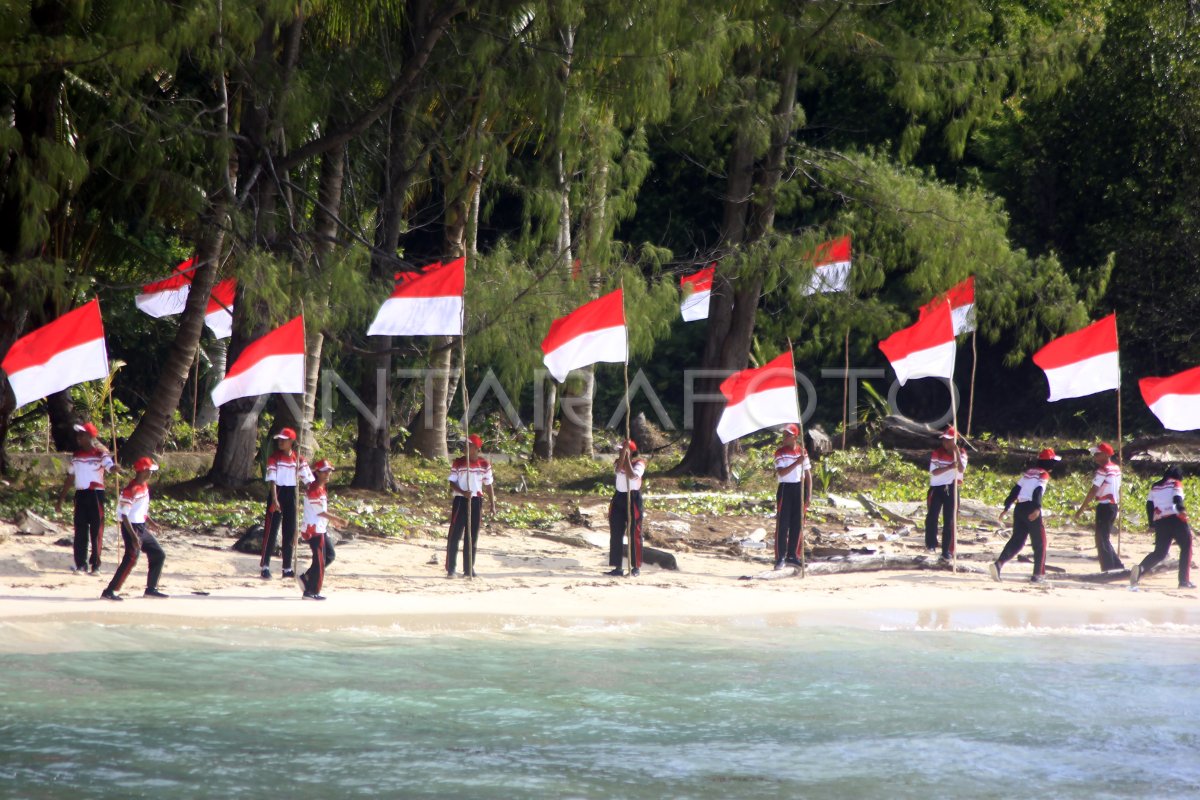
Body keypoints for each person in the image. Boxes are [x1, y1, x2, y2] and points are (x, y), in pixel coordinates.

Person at [991, 448, 1061, 584]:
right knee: (1040, 543)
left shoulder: (1028, 472)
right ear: (1048, 462)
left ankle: (998, 564)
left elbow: (1016, 489)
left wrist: (1007, 506)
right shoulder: (1044, 474)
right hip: (1030, 508)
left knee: (1017, 541)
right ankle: (1038, 575)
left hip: (1019, 508)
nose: (1054, 464)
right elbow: (1038, 491)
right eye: (1052, 461)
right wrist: (1037, 508)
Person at [102, 457, 168, 600]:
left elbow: (141, 510)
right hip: (131, 528)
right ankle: (109, 591)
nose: (151, 473)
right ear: (143, 471)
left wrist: (152, 523)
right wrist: (134, 537)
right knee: (131, 558)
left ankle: (151, 589)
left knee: (158, 554)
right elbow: (124, 516)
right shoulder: (130, 490)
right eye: (150, 471)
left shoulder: (144, 486)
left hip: (141, 527)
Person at [56, 421, 117, 574]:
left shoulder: (100, 454)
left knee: (96, 529)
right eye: (78, 435)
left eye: (82, 435)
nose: (78, 438)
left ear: (90, 436)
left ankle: (95, 565)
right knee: (80, 529)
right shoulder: (76, 456)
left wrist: (115, 468)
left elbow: (110, 466)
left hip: (95, 493)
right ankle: (81, 564)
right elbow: (70, 477)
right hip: (81, 494)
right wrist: (61, 499)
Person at [260, 427, 313, 580]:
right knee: (271, 530)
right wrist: (275, 499)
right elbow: (272, 480)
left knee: (290, 531)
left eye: (284, 440)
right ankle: (265, 566)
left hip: (291, 494)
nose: (281, 442)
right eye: (280, 439)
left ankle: (287, 568)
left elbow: (309, 480)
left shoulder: (298, 459)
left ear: (291, 442)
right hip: (277, 493)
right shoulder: (274, 458)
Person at [1131, 466, 1196, 589]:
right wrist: (1182, 511)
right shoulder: (1176, 483)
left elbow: (1149, 505)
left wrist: (1151, 523)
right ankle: (1183, 581)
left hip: (1161, 521)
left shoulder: (1155, 486)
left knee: (1160, 552)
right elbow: (1177, 499)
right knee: (1186, 548)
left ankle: (1140, 569)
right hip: (1176, 520)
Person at [445, 434, 495, 578]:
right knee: (455, 535)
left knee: (472, 536)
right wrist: (462, 491)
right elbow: (452, 482)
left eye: (469, 445)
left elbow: (488, 484)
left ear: (477, 448)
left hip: (476, 501)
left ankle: (469, 569)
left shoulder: (484, 464)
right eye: (465, 445)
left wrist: (492, 504)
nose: (466, 448)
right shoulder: (459, 463)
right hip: (461, 500)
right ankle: (451, 568)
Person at [296, 459, 346, 600]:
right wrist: (337, 519)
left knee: (329, 556)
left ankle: (306, 577)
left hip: (320, 528)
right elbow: (319, 511)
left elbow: (321, 510)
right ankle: (311, 591)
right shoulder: (314, 489)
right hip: (313, 530)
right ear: (317, 473)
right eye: (324, 471)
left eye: (329, 470)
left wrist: (332, 522)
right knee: (319, 561)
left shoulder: (320, 487)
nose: (327, 474)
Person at [1071, 442, 1125, 571]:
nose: (1095, 456)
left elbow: (1094, 490)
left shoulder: (1103, 470)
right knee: (1104, 537)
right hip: (1113, 505)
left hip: (1105, 506)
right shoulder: (1116, 468)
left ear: (1106, 455)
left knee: (1101, 539)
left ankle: (1108, 568)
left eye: (1098, 453)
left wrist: (1081, 509)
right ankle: (1117, 565)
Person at [773, 423, 812, 571]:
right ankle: (780, 557)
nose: (785, 437)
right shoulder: (780, 453)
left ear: (795, 436)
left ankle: (793, 555)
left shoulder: (802, 451)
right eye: (784, 434)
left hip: (799, 488)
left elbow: (808, 474)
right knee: (783, 524)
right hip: (785, 488)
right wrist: (797, 462)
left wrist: (809, 492)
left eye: (788, 435)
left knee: (797, 524)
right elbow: (782, 473)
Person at [925, 425, 967, 560]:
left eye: (949, 440)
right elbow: (934, 472)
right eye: (944, 440)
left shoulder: (962, 453)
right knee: (932, 516)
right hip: (937, 488)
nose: (945, 443)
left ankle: (946, 550)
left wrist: (957, 454)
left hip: (952, 488)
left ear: (955, 440)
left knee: (949, 520)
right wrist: (949, 467)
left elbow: (961, 469)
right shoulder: (937, 453)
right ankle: (931, 544)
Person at [607, 440, 647, 577]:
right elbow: (619, 469)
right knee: (616, 532)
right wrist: (624, 455)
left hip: (633, 498)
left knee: (634, 532)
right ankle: (617, 567)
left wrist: (628, 459)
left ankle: (635, 567)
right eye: (620, 449)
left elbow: (632, 475)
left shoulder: (640, 463)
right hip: (619, 497)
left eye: (623, 449)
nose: (620, 451)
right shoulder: (618, 462)